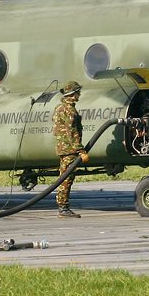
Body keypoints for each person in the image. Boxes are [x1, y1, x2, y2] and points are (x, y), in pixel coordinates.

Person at [52, 81, 86, 218]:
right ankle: (63, 208)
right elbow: (71, 131)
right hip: (69, 149)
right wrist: (80, 150)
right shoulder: (70, 110)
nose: (80, 94)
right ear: (73, 94)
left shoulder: (59, 108)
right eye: (78, 92)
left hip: (63, 148)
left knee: (64, 177)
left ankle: (63, 206)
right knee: (66, 178)